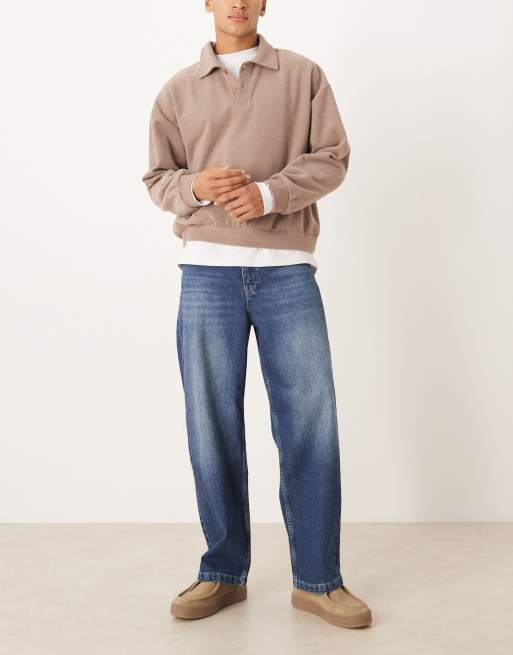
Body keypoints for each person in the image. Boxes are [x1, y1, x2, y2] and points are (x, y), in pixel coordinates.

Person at [141, 0, 372, 629]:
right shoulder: (178, 90)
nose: (238, 2)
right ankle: (222, 572)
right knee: (209, 422)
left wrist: (269, 194)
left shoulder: (303, 75)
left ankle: (319, 580)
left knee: (310, 423)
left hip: (287, 269)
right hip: (205, 273)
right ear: (208, 3)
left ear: (264, 2)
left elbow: (332, 156)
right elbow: (159, 177)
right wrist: (196, 187)